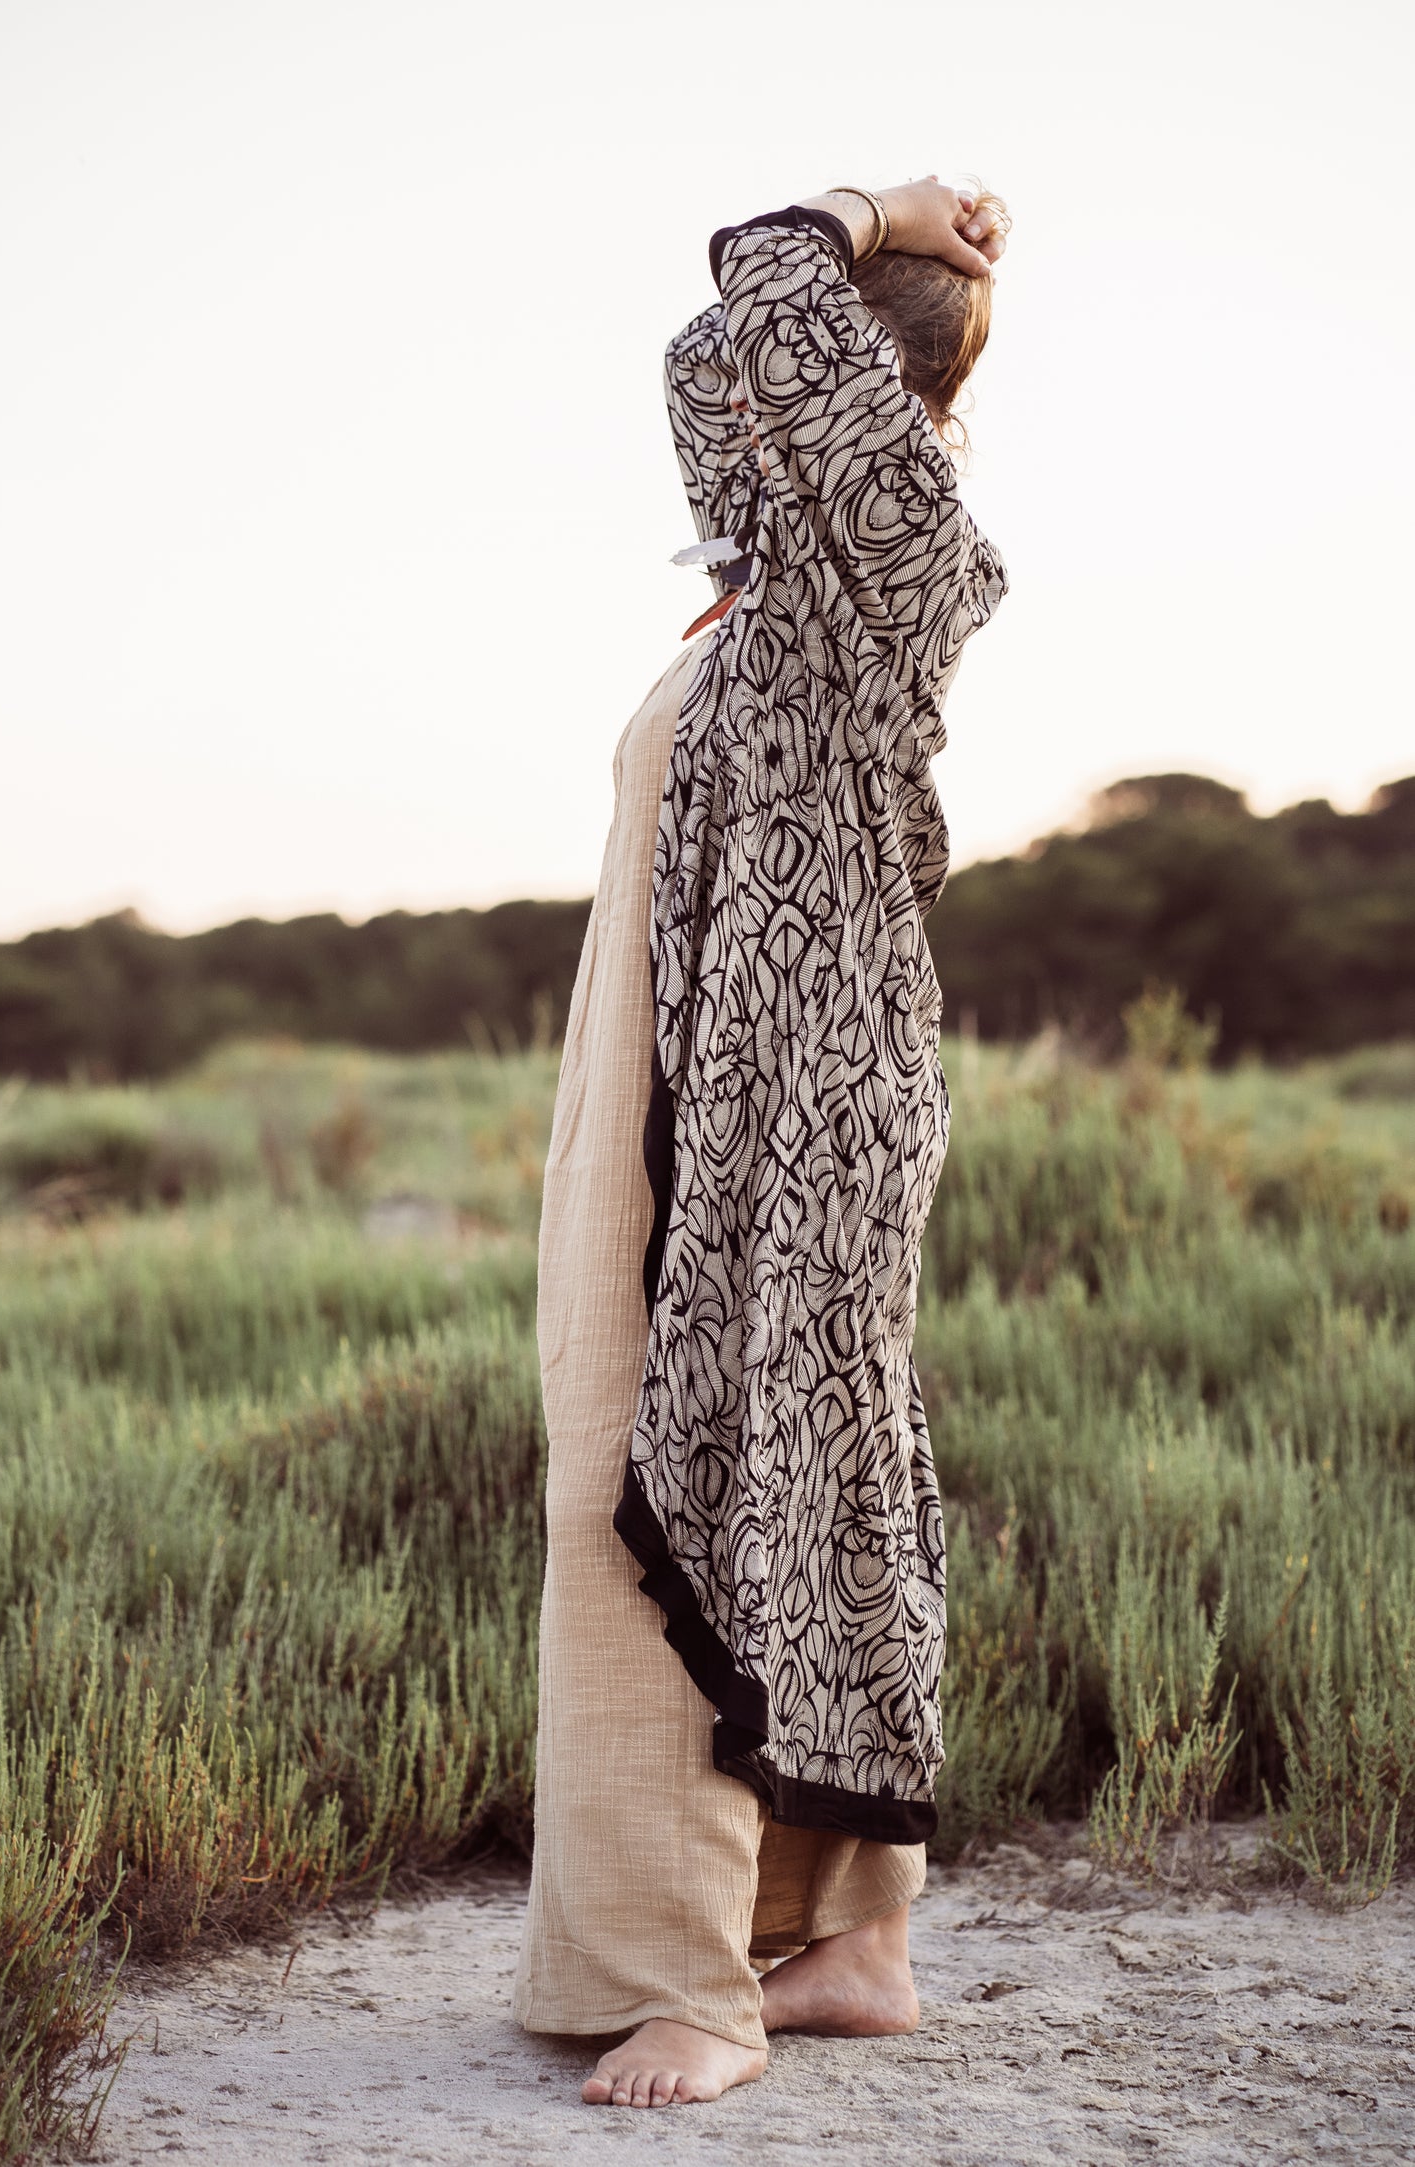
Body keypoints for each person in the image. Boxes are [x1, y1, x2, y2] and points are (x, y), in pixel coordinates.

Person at [513, 172, 1010, 2110]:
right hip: (701, 1080)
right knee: (792, 1488)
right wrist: (871, 248)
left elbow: (761, 284)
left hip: (793, 1114)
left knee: (720, 1488)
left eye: (792, 375)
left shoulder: (899, 552)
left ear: (854, 394)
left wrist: (874, 208)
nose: (741, 389)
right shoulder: (775, 565)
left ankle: (698, 1983)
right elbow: (708, 346)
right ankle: (854, 1940)